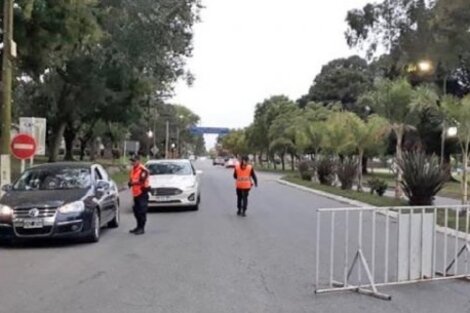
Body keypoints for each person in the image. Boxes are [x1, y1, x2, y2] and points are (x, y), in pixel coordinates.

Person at [128, 155, 150, 235]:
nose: (132, 162)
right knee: (136, 211)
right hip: (136, 193)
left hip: (142, 193)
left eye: (134, 161)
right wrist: (130, 183)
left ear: (138, 161)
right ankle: (138, 226)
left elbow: (142, 181)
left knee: (142, 211)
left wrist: (132, 183)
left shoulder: (143, 170)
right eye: (132, 161)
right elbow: (132, 179)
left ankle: (142, 228)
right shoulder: (133, 169)